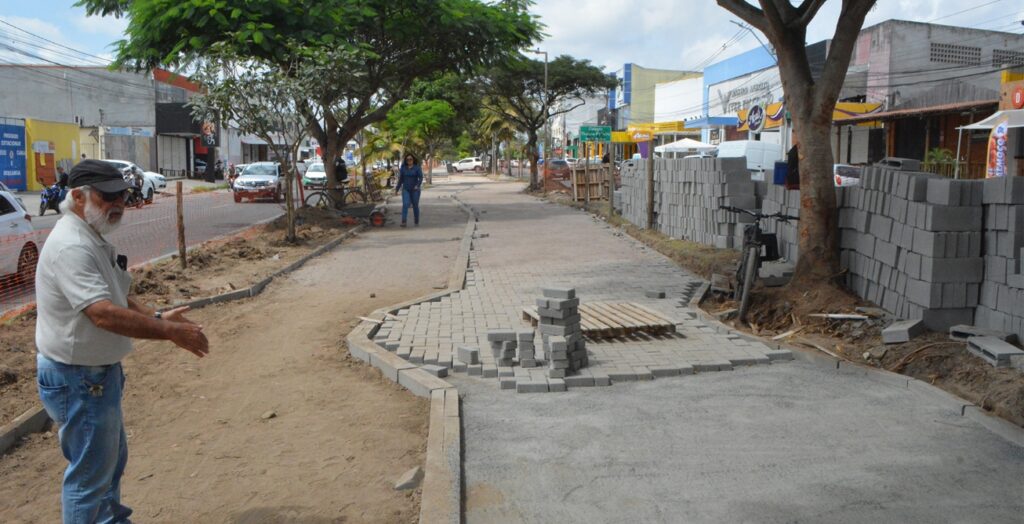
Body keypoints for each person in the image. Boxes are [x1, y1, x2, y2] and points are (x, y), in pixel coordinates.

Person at [35, 159, 209, 523]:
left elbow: (115, 296)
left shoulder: (91, 237)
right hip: (78, 378)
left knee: (108, 467)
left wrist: (157, 317)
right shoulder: (73, 246)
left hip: (93, 376)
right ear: (78, 197)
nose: (118, 204)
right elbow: (102, 313)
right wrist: (168, 332)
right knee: (89, 479)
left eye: (123, 195)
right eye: (107, 196)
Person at [395, 153, 423, 227]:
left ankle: (416, 220)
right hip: (406, 189)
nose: (409, 161)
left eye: (410, 159)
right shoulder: (403, 169)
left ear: (413, 160)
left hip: (415, 190)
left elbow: (421, 178)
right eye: (407, 159)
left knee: (415, 205)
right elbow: (400, 180)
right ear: (406, 160)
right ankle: (404, 221)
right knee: (405, 204)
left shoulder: (417, 168)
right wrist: (397, 189)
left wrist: (417, 185)